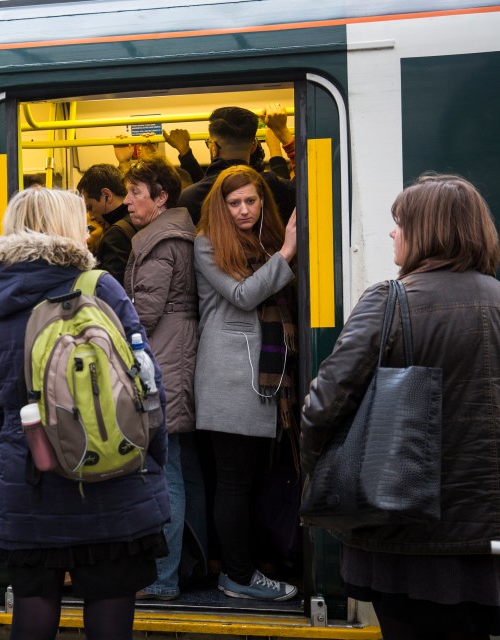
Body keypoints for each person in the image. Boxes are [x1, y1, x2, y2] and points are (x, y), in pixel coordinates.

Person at [301, 174, 500, 640]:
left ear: (429, 231)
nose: (393, 233)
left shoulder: (390, 302)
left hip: (405, 539)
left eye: (400, 223)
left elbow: (323, 406)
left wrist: (321, 474)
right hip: (491, 540)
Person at [0, 187, 170, 639]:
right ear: (66, 227)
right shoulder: (100, 288)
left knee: (34, 606)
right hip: (112, 473)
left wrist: (26, 451)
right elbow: (148, 384)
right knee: (109, 606)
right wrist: (151, 457)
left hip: (32, 480)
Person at [194, 165, 299, 601]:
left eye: (250, 201)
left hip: (260, 378)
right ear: (220, 206)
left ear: (262, 202)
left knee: (251, 480)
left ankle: (249, 567)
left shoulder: (265, 241)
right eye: (233, 203)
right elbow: (243, 295)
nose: (243, 210)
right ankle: (236, 576)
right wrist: (289, 251)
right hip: (229, 378)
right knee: (234, 481)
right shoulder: (205, 244)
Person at [121, 157, 202, 600]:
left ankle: (163, 577)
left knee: (165, 472)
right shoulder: (177, 235)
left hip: (163, 358)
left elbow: (142, 314)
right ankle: (185, 568)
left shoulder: (156, 242)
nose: (128, 201)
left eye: (135, 192)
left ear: (161, 197)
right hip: (178, 353)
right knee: (183, 469)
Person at [177, 106, 295, 224]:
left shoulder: (189, 198)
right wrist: (282, 131)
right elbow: (308, 186)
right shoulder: (271, 186)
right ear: (253, 146)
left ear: (214, 148)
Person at [76, 164, 135, 284]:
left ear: (107, 196)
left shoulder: (116, 234)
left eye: (90, 207)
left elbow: (110, 288)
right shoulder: (137, 219)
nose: (91, 215)